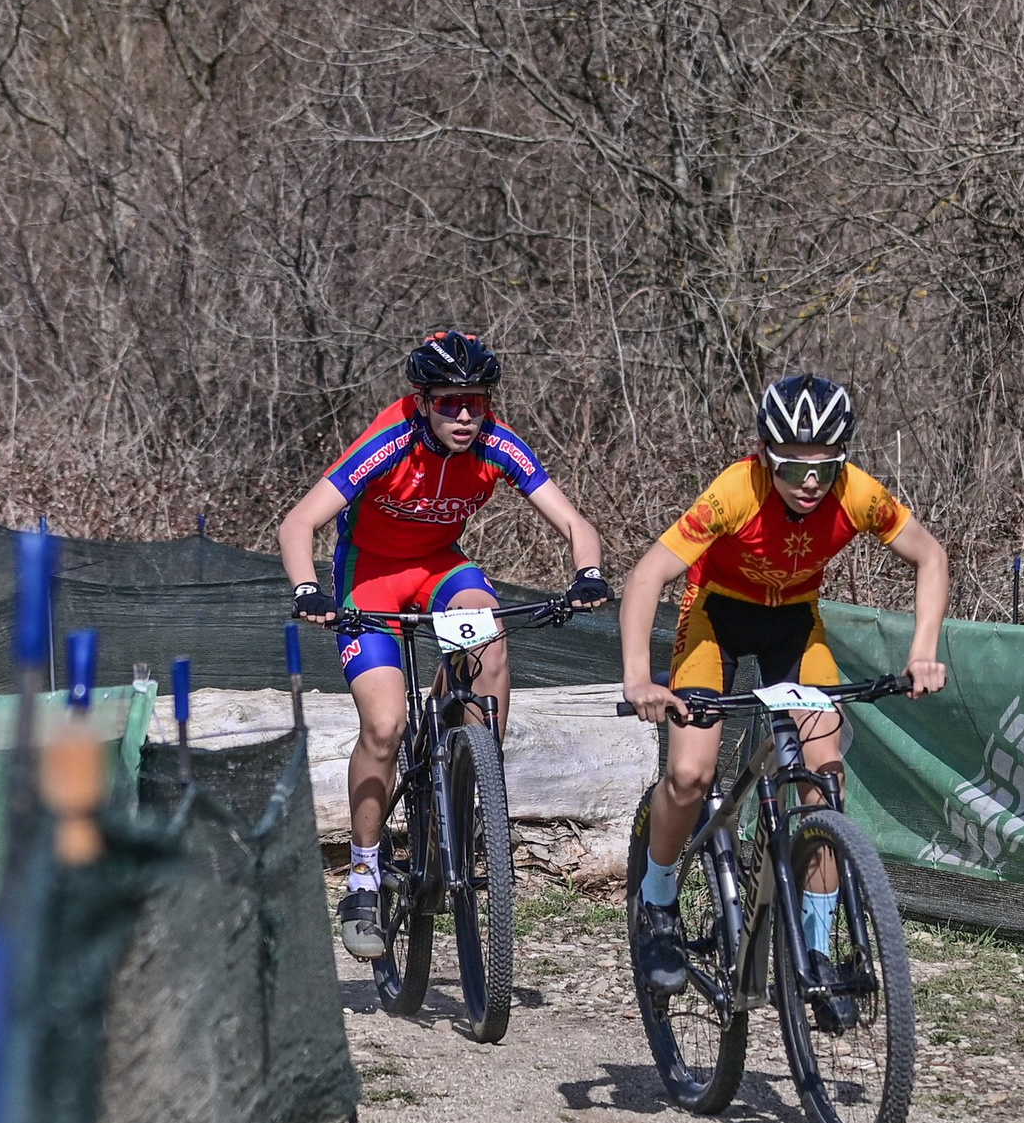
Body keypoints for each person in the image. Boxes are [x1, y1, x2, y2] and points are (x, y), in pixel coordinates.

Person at [279, 329, 609, 959]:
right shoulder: (390, 441)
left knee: (489, 631)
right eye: (449, 403)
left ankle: (472, 774)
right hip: (369, 575)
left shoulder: (496, 443)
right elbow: (299, 522)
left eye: (476, 402)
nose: (464, 415)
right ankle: (364, 876)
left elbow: (573, 522)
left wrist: (587, 573)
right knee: (384, 726)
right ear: (422, 400)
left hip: (440, 568)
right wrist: (305, 589)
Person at [619, 373, 950, 990]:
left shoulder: (858, 494)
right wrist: (640, 677)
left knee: (824, 777)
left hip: (795, 626)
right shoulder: (735, 490)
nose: (809, 483)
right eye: (792, 466)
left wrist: (923, 652)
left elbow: (930, 556)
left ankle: (817, 946)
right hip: (716, 616)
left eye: (824, 467)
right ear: (765, 456)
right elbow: (646, 577)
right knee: (690, 774)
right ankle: (658, 899)